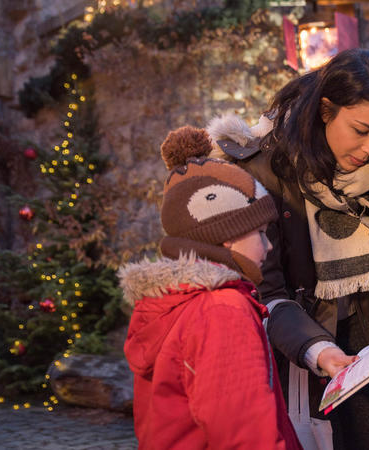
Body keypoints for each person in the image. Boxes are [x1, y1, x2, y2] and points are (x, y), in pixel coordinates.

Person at [206, 48, 369, 450]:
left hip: (363, 345)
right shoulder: (260, 171)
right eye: (361, 130)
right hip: (292, 353)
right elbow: (263, 293)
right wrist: (318, 349)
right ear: (325, 110)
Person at [119, 126, 301, 449]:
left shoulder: (182, 303)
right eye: (260, 233)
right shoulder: (223, 310)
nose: (268, 247)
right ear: (226, 236)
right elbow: (245, 433)